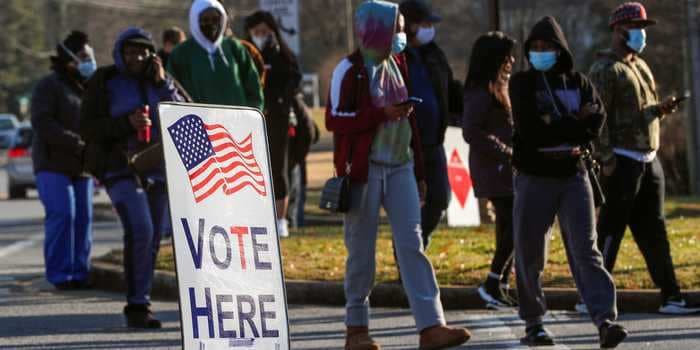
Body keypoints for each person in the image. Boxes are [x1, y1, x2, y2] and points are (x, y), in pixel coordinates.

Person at [326, 1, 470, 349]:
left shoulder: (399, 62)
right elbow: (335, 119)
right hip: (365, 170)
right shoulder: (349, 69)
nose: (402, 34)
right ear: (374, 29)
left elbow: (410, 124)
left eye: (403, 27)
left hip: (401, 165)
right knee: (361, 251)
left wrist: (419, 169)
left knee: (412, 245)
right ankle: (356, 329)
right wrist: (379, 114)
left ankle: (431, 326)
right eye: (396, 27)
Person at [509, 16, 627, 348]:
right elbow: (531, 132)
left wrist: (567, 125)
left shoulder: (579, 82)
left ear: (560, 50)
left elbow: (597, 122)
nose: (540, 52)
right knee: (530, 251)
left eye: (547, 47)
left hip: (573, 175)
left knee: (586, 251)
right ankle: (534, 323)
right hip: (535, 176)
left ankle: (605, 320)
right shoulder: (522, 84)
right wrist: (577, 122)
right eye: (535, 48)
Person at [589, 2, 700, 315]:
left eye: (642, 28)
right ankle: (593, 296)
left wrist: (659, 111)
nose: (640, 34)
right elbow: (597, 119)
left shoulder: (639, 66)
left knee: (655, 230)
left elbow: (637, 112)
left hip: (648, 160)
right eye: (635, 28)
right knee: (611, 228)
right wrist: (606, 158)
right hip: (622, 161)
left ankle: (671, 295)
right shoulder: (605, 69)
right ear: (617, 30)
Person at [80, 27, 186, 329]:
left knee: (152, 236)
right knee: (141, 227)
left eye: (142, 51)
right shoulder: (105, 81)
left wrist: (163, 82)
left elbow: (182, 114)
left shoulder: (161, 80)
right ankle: (137, 302)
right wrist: (126, 123)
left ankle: (140, 305)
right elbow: (88, 128)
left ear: (151, 54)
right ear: (119, 53)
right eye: (129, 51)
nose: (136, 57)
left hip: (158, 168)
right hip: (119, 167)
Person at [31, 31, 96, 291]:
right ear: (68, 59)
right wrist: (75, 142)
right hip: (52, 164)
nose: (89, 61)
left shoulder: (88, 88)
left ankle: (80, 273)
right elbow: (42, 122)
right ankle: (59, 274)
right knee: (63, 214)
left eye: (90, 56)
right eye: (83, 57)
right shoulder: (49, 86)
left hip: (82, 167)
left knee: (83, 218)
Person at [399, 0, 462, 248]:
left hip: (434, 143)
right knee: (409, 205)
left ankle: (419, 243)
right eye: (424, 24)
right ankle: (405, 255)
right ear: (409, 26)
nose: (429, 29)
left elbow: (450, 87)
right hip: (406, 145)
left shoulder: (434, 54)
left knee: (440, 199)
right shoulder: (396, 56)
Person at [462, 31, 518, 310]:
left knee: (508, 226)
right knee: (517, 224)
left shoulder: (501, 85)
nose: (512, 60)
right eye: (506, 55)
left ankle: (500, 286)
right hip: (494, 168)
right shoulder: (480, 89)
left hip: (506, 167)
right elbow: (471, 131)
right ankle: (493, 282)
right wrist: (505, 151)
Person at [244, 10, 303, 237]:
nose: (260, 36)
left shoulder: (282, 54)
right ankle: (256, 215)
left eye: (264, 32)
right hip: (250, 119)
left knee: (278, 168)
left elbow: (294, 78)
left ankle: (281, 221)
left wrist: (281, 99)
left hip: (277, 118)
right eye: (256, 32)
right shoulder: (243, 52)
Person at [167, 0, 263, 110]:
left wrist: (249, 116)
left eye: (215, 19)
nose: (211, 24)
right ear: (195, 20)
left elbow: (254, 90)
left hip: (236, 124)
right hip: (200, 124)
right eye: (205, 20)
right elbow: (172, 93)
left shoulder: (235, 48)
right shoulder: (181, 54)